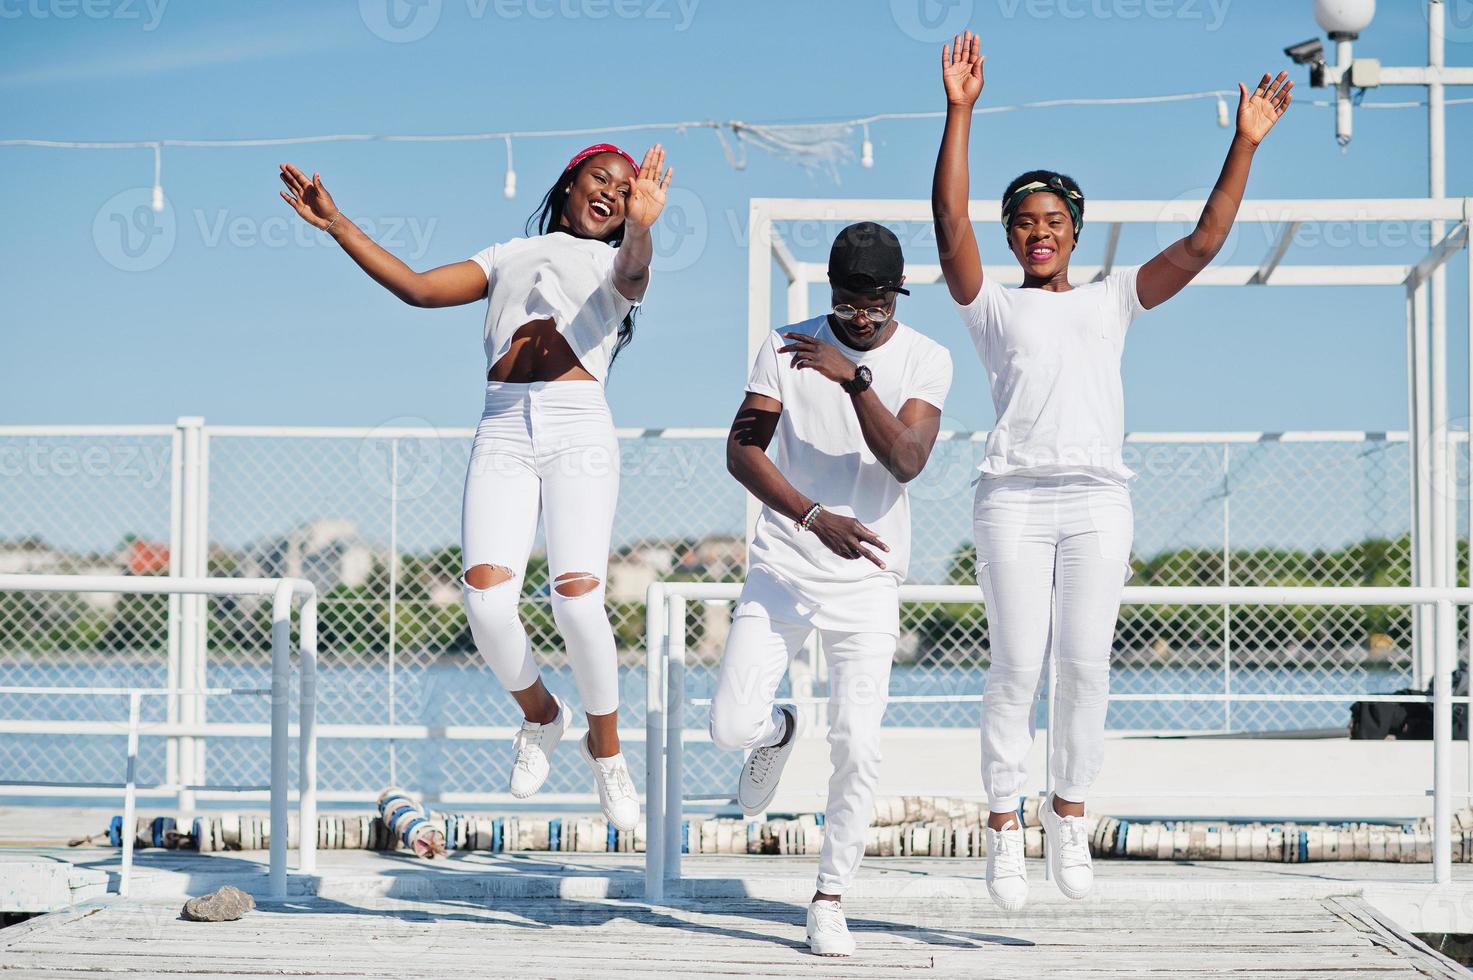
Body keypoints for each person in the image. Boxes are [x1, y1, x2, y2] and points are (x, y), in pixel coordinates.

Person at [930, 31, 1292, 910]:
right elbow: (947, 227)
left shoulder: (1114, 297)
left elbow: (1203, 243)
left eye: (1054, 221)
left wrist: (1241, 142)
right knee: (1018, 663)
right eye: (1025, 222)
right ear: (1011, 235)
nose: (1039, 232)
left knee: (1084, 666)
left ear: (1075, 232)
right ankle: (1003, 826)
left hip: (1097, 499)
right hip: (1012, 497)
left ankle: (1068, 814)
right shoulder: (989, 307)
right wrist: (959, 112)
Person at [277, 143, 672, 832]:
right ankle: (543, 717)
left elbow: (635, 273)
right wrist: (338, 224)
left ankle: (606, 752)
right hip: (502, 431)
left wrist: (642, 226)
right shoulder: (507, 254)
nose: (608, 192)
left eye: (623, 190)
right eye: (597, 180)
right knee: (486, 604)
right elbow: (418, 288)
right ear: (570, 185)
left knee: (577, 604)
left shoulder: (618, 261)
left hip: (577, 431)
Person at [709, 222, 953, 957]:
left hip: (868, 577)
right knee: (727, 726)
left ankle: (828, 897)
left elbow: (906, 460)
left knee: (858, 743)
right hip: (785, 560)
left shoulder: (925, 358)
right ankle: (778, 731)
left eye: (873, 301)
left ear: (895, 294)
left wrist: (854, 381)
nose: (858, 315)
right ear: (832, 291)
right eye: (847, 299)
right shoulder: (786, 345)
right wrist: (812, 517)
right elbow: (740, 449)